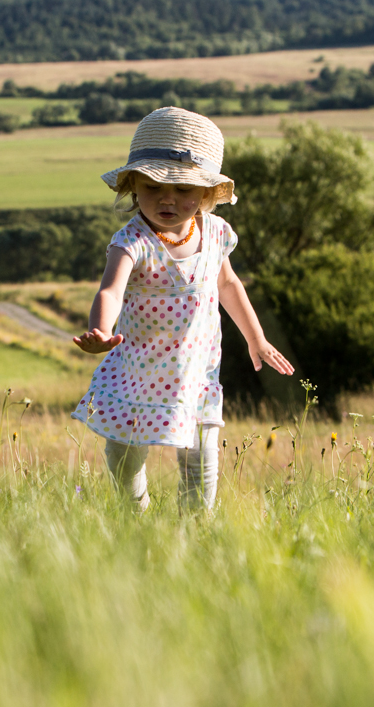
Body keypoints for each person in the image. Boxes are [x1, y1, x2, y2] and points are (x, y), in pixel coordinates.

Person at [71, 107, 294, 511]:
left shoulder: (214, 233)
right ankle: (133, 511)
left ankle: (195, 531)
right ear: (135, 186)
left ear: (207, 195)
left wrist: (256, 338)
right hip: (136, 371)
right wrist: (101, 331)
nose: (168, 199)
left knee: (201, 460)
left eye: (185, 189)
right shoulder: (132, 241)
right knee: (124, 456)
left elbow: (227, 284)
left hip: (195, 370)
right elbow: (111, 291)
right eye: (154, 186)